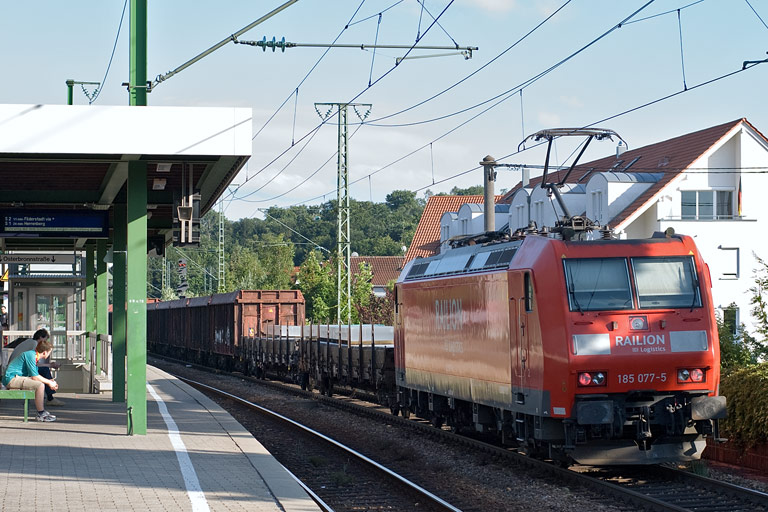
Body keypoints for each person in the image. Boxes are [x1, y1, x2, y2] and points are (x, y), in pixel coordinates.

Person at [2, 334, 58, 422]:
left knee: (41, 383)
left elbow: (34, 375)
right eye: (49, 352)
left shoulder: (33, 355)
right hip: (11, 379)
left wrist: (49, 381)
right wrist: (49, 382)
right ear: (44, 352)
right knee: (40, 385)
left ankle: (41, 412)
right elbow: (35, 377)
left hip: (15, 377)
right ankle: (41, 413)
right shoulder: (31, 355)